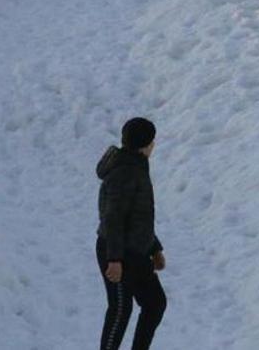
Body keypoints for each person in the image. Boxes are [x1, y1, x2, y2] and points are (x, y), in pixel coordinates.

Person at [96, 118, 167, 350]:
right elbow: (113, 218)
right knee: (120, 309)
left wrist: (154, 247)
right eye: (152, 141)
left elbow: (138, 217)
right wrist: (114, 259)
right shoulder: (125, 172)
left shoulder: (136, 167)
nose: (153, 145)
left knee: (155, 303)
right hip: (116, 250)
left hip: (136, 252)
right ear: (145, 145)